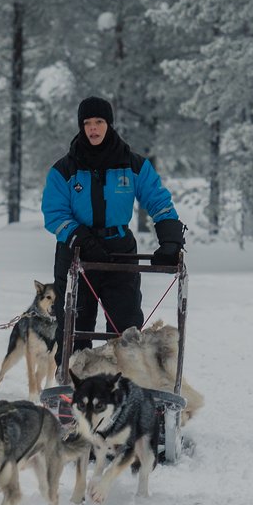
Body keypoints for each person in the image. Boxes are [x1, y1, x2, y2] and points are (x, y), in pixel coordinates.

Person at [41, 96, 185, 353]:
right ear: (80, 126)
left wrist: (170, 240)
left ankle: (125, 382)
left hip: (119, 250)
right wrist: (81, 239)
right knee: (74, 325)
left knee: (125, 327)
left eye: (99, 122)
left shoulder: (132, 165)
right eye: (87, 123)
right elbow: (55, 214)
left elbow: (158, 201)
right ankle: (72, 382)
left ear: (109, 124)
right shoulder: (64, 170)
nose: (93, 128)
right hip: (76, 252)